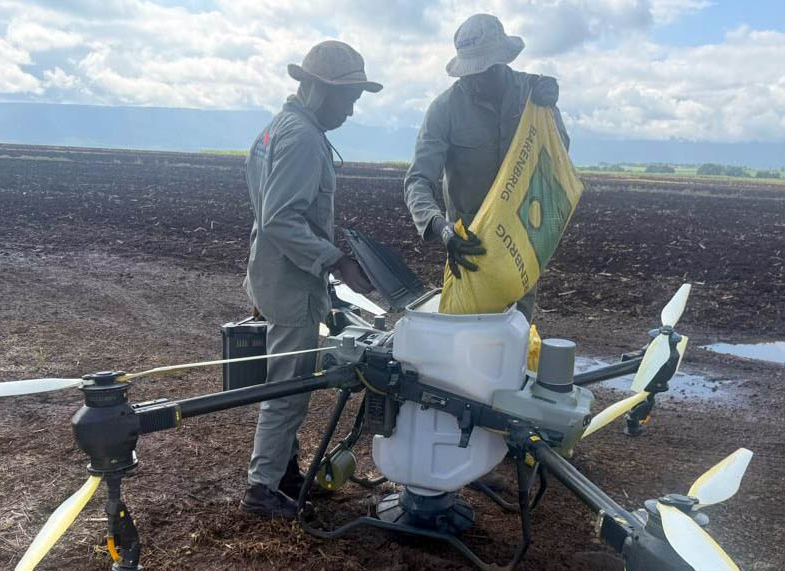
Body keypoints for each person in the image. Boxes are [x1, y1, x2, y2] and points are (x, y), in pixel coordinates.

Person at [241, 40, 380, 519]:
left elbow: (268, 211)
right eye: (349, 98)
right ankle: (262, 489)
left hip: (273, 272)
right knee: (287, 389)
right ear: (321, 90)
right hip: (291, 282)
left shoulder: (277, 127)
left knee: (287, 379)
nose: (351, 109)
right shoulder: (301, 136)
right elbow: (281, 218)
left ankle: (284, 473)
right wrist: (337, 261)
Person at [404, 13, 570, 321]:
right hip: (469, 248)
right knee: (466, 333)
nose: (477, 80)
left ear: (503, 61)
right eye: (471, 73)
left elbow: (558, 158)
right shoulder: (444, 109)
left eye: (486, 71)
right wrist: (441, 228)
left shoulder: (532, 94)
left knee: (515, 330)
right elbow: (418, 180)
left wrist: (548, 110)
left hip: (521, 245)